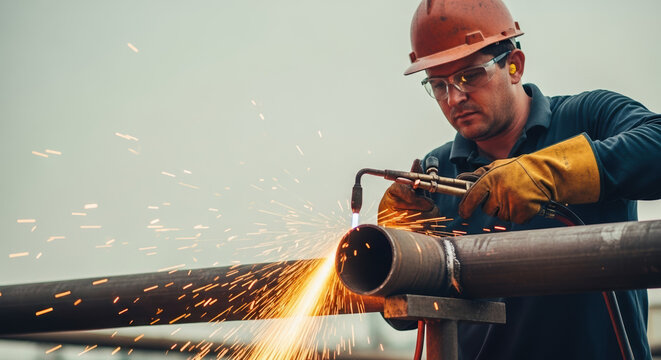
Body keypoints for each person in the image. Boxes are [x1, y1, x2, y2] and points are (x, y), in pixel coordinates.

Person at [378, 0, 661, 359]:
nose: (455, 97)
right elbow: (403, 319)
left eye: (469, 76)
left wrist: (550, 173)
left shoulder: (587, 119)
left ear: (514, 66)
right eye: (438, 85)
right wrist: (397, 255)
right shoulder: (437, 176)